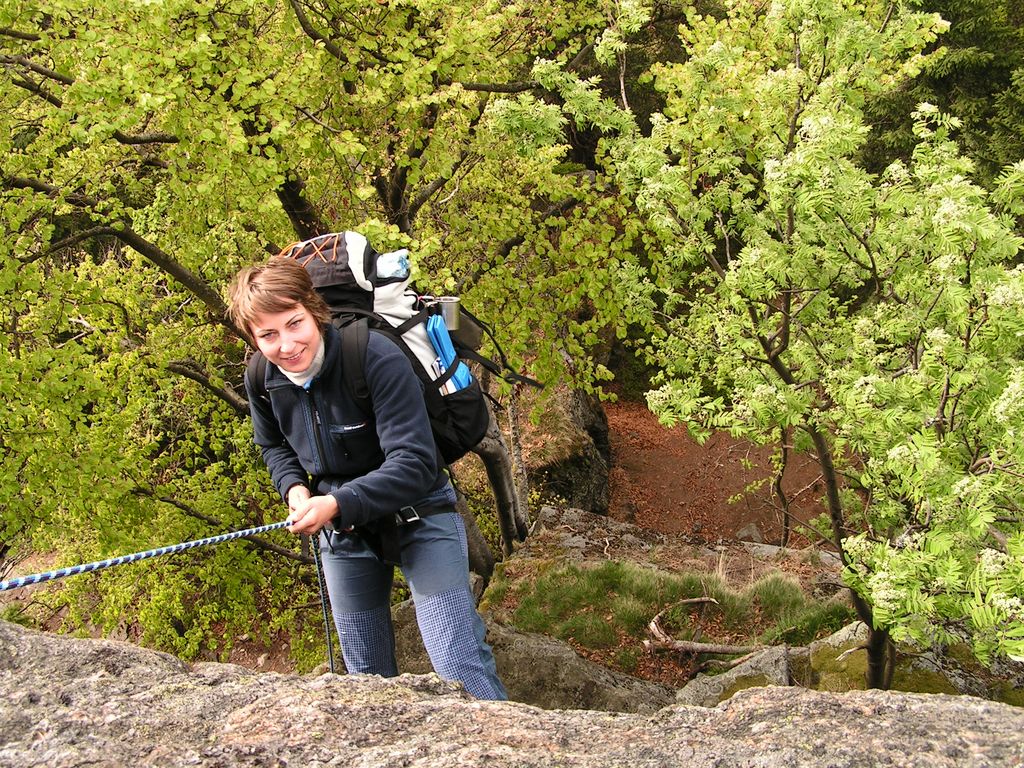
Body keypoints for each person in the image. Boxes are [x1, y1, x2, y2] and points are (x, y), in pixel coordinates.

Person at [228, 256, 507, 700]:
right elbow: (275, 446)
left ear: (314, 310)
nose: (286, 344)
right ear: (252, 337)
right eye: (268, 334)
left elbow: (415, 461)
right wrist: (295, 488)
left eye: (294, 323)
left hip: (420, 511)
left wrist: (335, 504)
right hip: (342, 529)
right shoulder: (262, 378)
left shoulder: (372, 355)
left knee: (457, 661)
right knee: (366, 678)